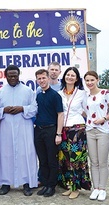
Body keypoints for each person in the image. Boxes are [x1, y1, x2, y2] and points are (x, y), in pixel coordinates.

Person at [0, 65, 38, 196]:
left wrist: (22, 109)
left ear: (19, 75)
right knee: (5, 154)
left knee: (25, 154)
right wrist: (4, 110)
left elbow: (35, 108)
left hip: (24, 127)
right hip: (6, 128)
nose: (13, 78)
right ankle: (6, 183)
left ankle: (26, 183)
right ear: (5, 76)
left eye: (15, 75)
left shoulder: (28, 91)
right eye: (10, 76)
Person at [58, 66, 91, 199]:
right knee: (65, 159)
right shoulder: (59, 93)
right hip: (63, 129)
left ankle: (77, 187)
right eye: (68, 75)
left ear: (77, 79)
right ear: (64, 77)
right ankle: (69, 185)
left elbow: (87, 111)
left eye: (73, 75)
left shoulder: (82, 94)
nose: (70, 77)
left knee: (76, 159)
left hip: (77, 128)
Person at [83, 71, 109, 201]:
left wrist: (103, 119)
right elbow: (85, 112)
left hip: (103, 131)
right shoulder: (85, 96)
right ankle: (95, 188)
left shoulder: (106, 93)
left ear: (97, 80)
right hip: (90, 130)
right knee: (94, 161)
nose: (89, 83)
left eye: (92, 80)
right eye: (87, 80)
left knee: (103, 162)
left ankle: (102, 188)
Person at [34, 69, 64, 197]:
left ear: (48, 79)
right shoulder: (38, 95)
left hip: (51, 130)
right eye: (39, 79)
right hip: (39, 130)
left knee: (52, 159)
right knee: (42, 159)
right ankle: (45, 184)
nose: (41, 81)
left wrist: (58, 134)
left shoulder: (55, 95)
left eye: (43, 78)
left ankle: (52, 185)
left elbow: (60, 114)